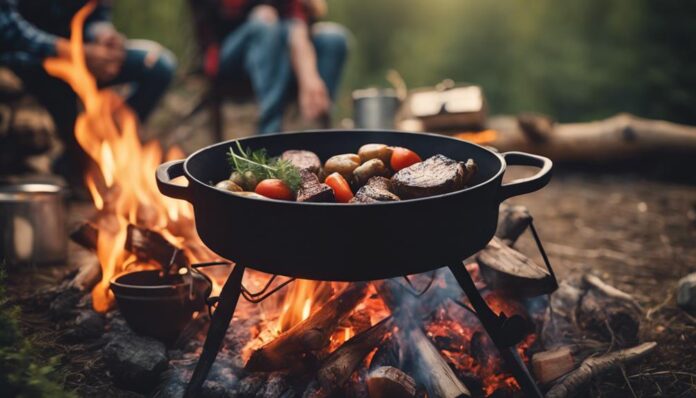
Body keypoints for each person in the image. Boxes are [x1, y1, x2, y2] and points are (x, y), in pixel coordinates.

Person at [0, 0, 176, 183]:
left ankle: (103, 145)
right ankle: (77, 160)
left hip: (81, 58)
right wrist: (70, 52)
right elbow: (6, 27)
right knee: (54, 86)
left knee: (158, 66)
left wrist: (103, 35)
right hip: (28, 59)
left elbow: (96, 14)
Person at [194, 0, 348, 134]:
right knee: (265, 24)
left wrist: (310, 77)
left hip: (281, 49)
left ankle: (318, 129)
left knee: (333, 39)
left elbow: (297, 27)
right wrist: (257, 12)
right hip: (227, 55)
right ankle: (269, 133)